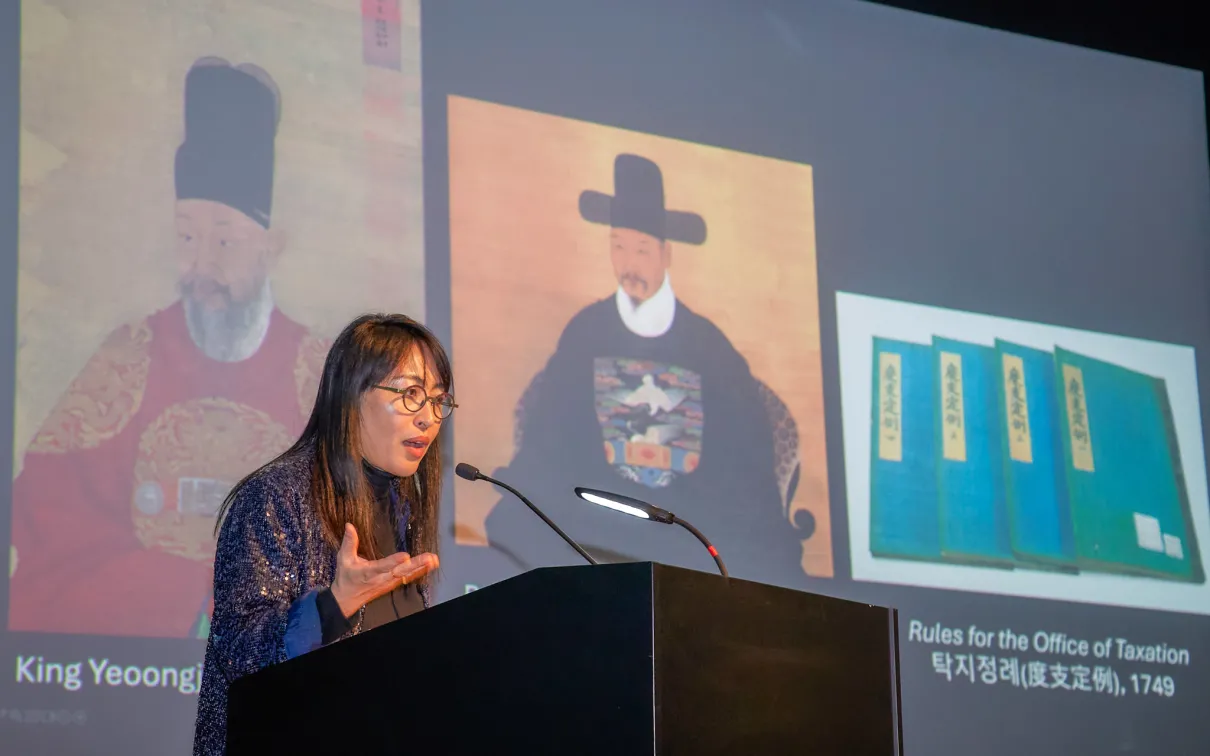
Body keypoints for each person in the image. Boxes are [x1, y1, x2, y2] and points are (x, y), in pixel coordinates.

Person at [8, 56, 330, 638]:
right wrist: (186, 598)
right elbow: (48, 521)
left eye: (225, 241)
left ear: (271, 247)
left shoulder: (318, 377)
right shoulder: (128, 359)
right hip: (131, 678)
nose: (201, 266)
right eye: (186, 236)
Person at [482, 153, 807, 590]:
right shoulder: (585, 333)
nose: (629, 263)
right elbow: (551, 440)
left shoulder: (710, 347)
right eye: (618, 246)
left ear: (666, 254)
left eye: (641, 249)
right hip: (598, 521)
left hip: (686, 523)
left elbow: (744, 460)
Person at [192, 313, 453, 756]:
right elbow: (238, 653)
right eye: (410, 394)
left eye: (438, 401)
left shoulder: (400, 510)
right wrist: (332, 607)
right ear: (352, 396)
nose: (428, 417)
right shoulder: (275, 496)